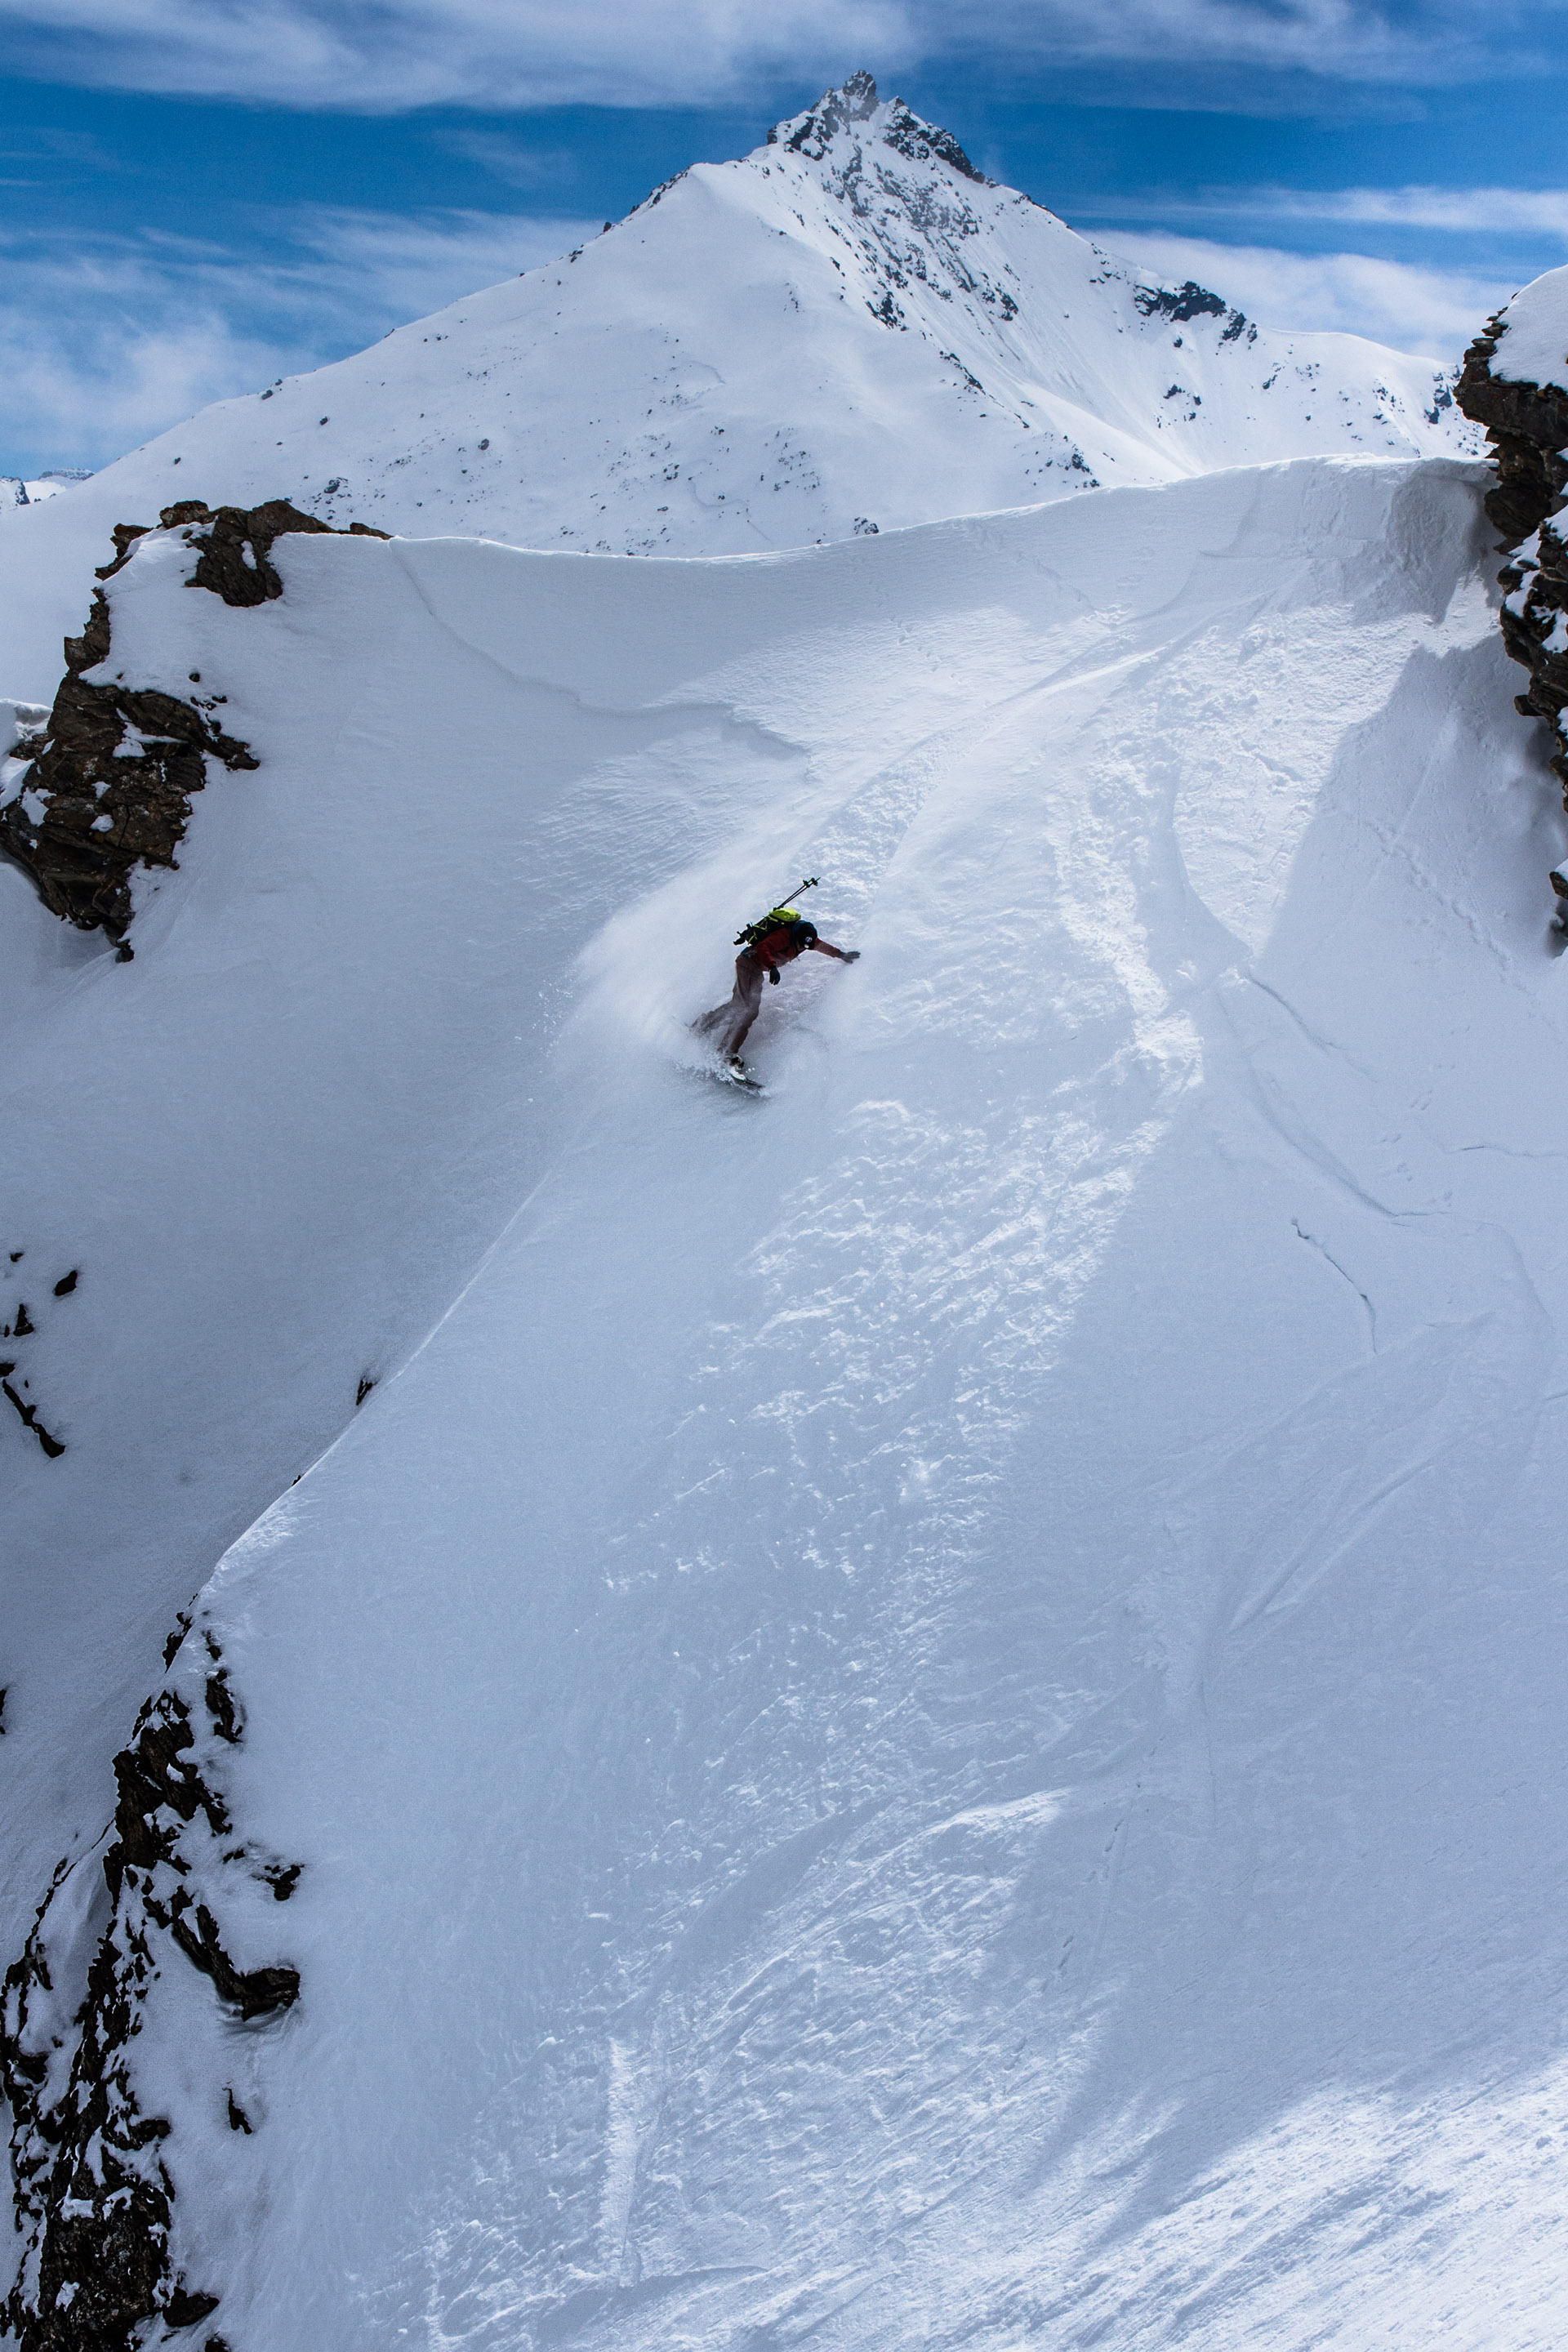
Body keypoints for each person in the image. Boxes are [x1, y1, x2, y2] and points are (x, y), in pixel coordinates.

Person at [695, 910, 858, 1071]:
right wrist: (772, 967)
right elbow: (763, 947)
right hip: (749, 964)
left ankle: (702, 1026)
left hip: (754, 968)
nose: (804, 948)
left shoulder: (807, 938)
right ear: (798, 938)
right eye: (802, 945)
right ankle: (726, 1053)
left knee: (739, 1005)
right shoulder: (785, 935)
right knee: (748, 1010)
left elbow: (820, 946)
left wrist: (841, 954)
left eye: (807, 946)